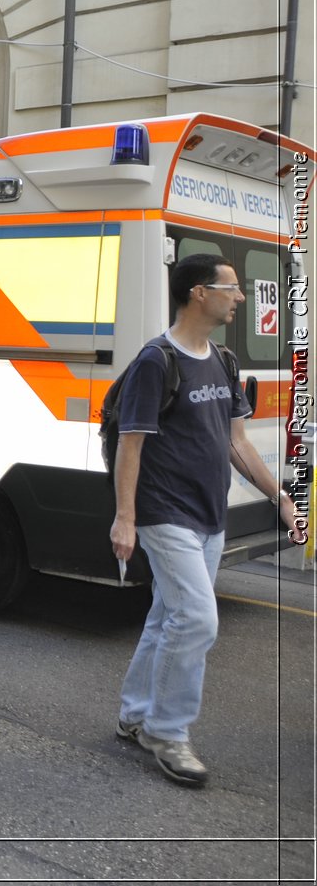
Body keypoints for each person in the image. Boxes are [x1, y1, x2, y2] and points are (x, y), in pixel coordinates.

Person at [111, 253, 299, 788]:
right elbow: (132, 443)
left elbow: (236, 442)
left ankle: (134, 713)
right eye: (232, 288)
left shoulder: (223, 360)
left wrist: (278, 497)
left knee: (166, 615)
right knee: (197, 618)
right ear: (199, 293)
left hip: (208, 515)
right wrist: (125, 518)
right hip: (164, 512)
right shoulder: (155, 360)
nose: (240, 298)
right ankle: (167, 732)